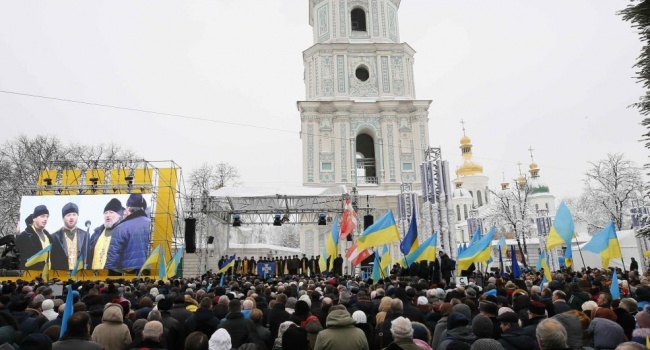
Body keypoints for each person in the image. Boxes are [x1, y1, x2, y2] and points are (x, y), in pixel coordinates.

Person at [105, 194, 151, 270]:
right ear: (142, 209)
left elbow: (113, 257)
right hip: (150, 273)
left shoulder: (121, 227)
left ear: (128, 208)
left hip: (129, 274)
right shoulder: (152, 224)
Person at [51, 203, 90, 270]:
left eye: (74, 215)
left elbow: (88, 257)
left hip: (80, 275)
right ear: (63, 218)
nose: (71, 217)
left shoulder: (85, 235)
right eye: (68, 215)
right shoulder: (54, 237)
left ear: (77, 216)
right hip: (61, 276)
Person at [88, 198, 122, 270]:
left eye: (111, 212)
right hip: (94, 274)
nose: (107, 215)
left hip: (112, 274)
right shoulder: (96, 233)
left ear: (119, 215)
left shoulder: (122, 232)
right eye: (106, 213)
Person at [16, 205, 52, 270]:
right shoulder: (24, 236)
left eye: (47, 216)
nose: (45, 219)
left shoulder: (48, 236)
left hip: (51, 274)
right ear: (34, 218)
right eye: (42, 216)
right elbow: (22, 260)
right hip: (33, 275)